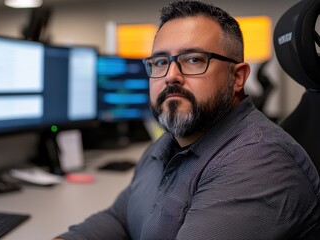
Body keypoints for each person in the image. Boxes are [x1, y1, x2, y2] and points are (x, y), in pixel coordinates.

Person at [55, 1, 320, 239]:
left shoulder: (261, 162)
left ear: (237, 77)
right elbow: (120, 218)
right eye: (160, 61)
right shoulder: (165, 145)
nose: (171, 75)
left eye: (193, 59)